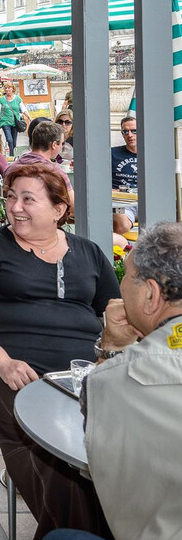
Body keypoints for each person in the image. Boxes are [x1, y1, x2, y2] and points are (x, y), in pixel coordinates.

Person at [0, 163, 120, 540]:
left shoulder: (88, 253)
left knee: (116, 444)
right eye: (11, 197)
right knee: (52, 453)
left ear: (59, 210)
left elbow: (117, 309)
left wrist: (111, 355)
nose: (15, 207)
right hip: (11, 373)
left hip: (82, 375)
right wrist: (3, 362)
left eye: (28, 198)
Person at [80, 222, 182, 540]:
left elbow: (93, 424)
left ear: (151, 295)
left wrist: (112, 348)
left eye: (124, 275)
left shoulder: (113, 381)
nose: (120, 284)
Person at [5, 121, 74, 213]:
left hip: (15, 217)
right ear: (53, 145)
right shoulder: (55, 173)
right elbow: (72, 206)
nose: (62, 147)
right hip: (43, 221)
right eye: (61, 143)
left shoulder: (11, 168)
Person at [111, 116, 138, 235]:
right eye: (125, 131)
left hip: (147, 201)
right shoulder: (112, 153)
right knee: (122, 226)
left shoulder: (151, 154)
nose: (130, 135)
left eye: (134, 131)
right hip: (121, 201)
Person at [0, 82, 30, 157]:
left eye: (9, 87)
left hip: (15, 122)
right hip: (5, 122)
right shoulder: (1, 100)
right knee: (9, 140)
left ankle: (13, 156)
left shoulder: (17, 99)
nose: (7, 89)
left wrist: (30, 118)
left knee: (14, 142)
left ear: (13, 89)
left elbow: (23, 109)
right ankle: (11, 156)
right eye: (6, 88)